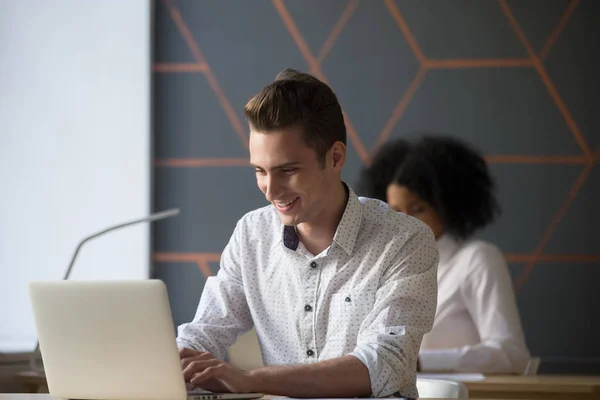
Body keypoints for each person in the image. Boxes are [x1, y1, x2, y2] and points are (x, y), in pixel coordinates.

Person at [176, 69, 439, 398]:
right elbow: (205, 332)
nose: (271, 190)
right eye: (260, 171)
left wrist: (253, 380)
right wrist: (172, 363)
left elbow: (386, 363)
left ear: (335, 156)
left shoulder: (405, 239)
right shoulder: (251, 235)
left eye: (288, 170)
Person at [356, 136, 531, 374]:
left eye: (418, 209)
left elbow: (512, 355)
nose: (405, 222)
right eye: (395, 211)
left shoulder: (477, 259)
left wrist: (419, 361)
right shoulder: (385, 269)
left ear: (446, 206)